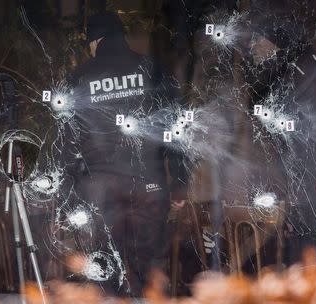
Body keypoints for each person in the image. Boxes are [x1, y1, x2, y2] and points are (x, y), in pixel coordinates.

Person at [64, 11, 188, 296]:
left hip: (102, 190)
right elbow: (176, 125)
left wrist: (69, 192)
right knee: (150, 272)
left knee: (106, 271)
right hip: (150, 185)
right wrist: (180, 180)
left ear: (95, 41)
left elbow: (68, 142)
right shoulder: (151, 69)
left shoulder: (80, 77)